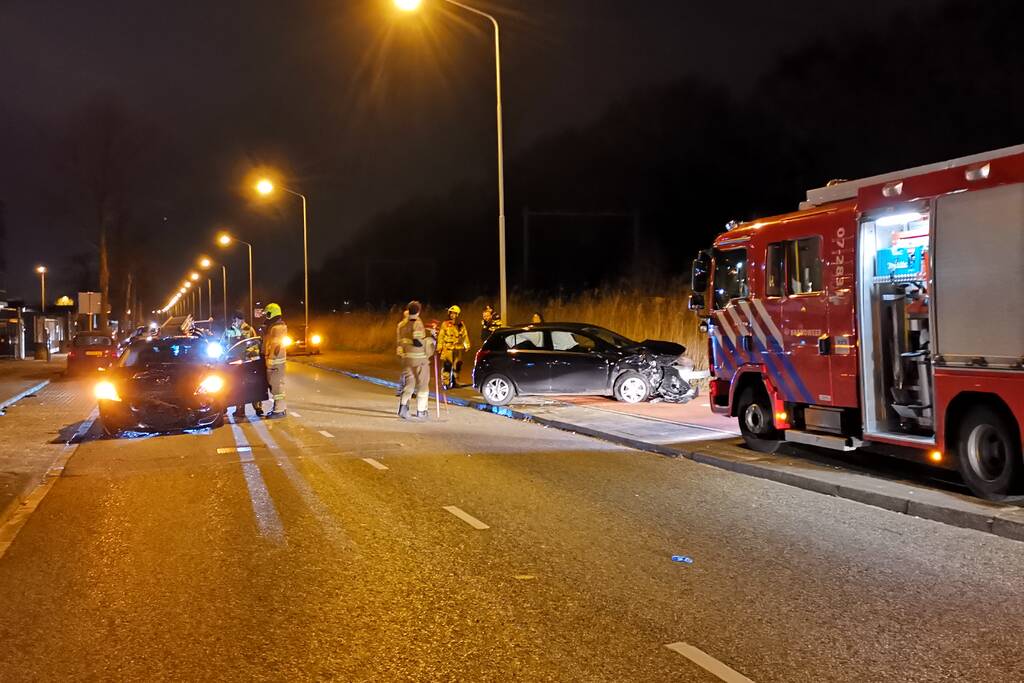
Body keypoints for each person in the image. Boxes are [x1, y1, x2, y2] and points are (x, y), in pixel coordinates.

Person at [396, 301, 435, 420]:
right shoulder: (417, 323)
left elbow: (400, 342)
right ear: (418, 311)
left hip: (407, 359)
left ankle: (403, 409)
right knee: (423, 386)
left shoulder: (401, 324)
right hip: (420, 360)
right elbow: (417, 341)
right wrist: (431, 338)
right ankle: (421, 411)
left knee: (409, 385)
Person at [223, 311, 263, 418]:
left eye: (239, 319)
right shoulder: (229, 330)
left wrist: (249, 354)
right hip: (234, 362)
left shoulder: (249, 329)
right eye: (236, 319)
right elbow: (224, 343)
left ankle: (258, 407)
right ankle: (239, 409)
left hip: (247, 361)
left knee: (252, 384)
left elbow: (254, 344)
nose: (237, 321)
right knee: (236, 386)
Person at [262, 302, 288, 418]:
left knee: (277, 387)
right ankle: (278, 408)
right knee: (275, 386)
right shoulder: (273, 327)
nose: (265, 316)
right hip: (274, 363)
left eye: (267, 314)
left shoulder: (277, 328)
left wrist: (270, 361)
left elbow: (275, 346)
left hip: (275, 364)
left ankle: (279, 410)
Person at [438, 305, 470, 389]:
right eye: (451, 313)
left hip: (458, 348)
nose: (452, 315)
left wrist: (467, 345)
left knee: (457, 365)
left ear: (457, 314)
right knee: (447, 366)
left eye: (454, 313)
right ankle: (446, 382)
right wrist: (439, 346)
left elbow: (464, 335)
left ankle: (455, 381)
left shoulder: (460, 325)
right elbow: (441, 336)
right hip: (447, 348)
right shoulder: (445, 324)